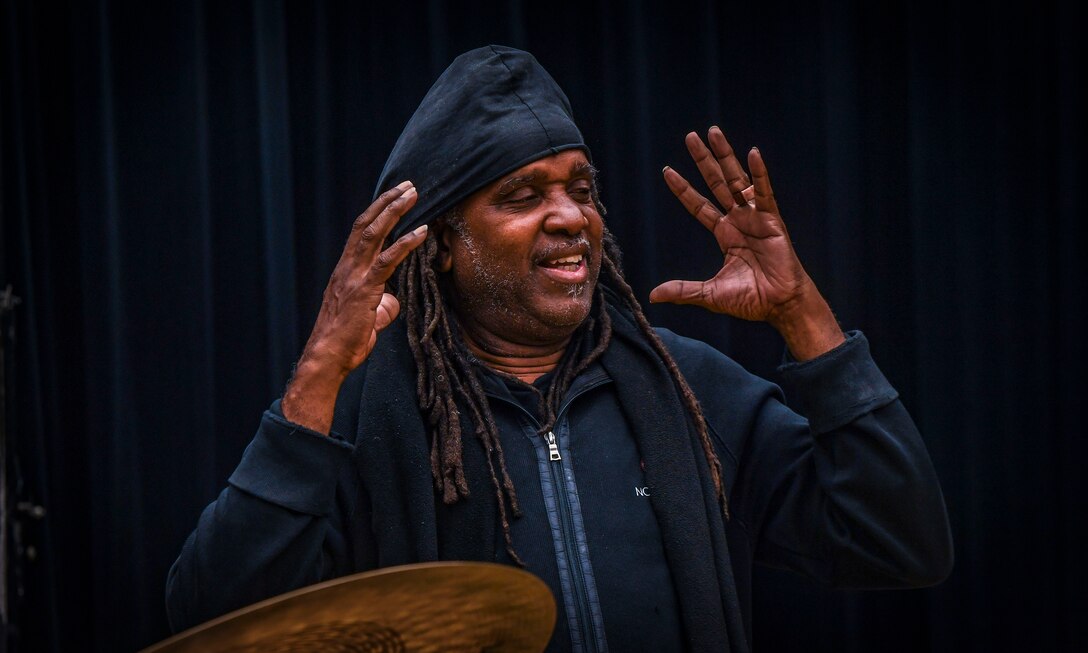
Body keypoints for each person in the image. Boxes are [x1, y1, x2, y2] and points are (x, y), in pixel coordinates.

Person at [165, 45, 952, 652]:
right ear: (442, 244)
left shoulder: (689, 387)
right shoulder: (363, 416)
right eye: (522, 195)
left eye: (580, 188)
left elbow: (899, 539)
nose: (572, 215)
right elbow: (212, 617)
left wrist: (801, 314)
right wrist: (317, 379)